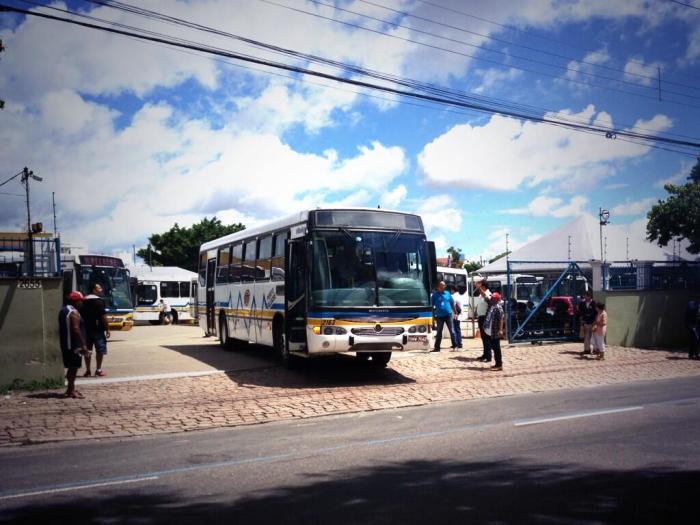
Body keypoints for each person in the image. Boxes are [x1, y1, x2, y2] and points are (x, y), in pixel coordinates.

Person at [58, 291, 89, 398]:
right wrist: (83, 344)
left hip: (66, 344)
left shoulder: (64, 310)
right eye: (81, 301)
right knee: (74, 367)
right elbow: (76, 329)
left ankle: (70, 389)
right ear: (76, 301)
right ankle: (71, 390)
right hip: (74, 345)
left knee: (72, 367)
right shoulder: (73, 312)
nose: (82, 303)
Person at [81, 283, 111, 377]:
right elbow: (103, 317)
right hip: (98, 330)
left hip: (86, 330)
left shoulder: (83, 300)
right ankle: (98, 369)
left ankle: (88, 370)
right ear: (94, 290)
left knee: (87, 350)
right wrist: (108, 329)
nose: (101, 289)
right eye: (99, 288)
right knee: (100, 350)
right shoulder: (99, 301)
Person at [431, 281, 457, 352]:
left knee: (452, 331)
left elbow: (452, 304)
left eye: (444, 286)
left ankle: (455, 346)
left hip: (448, 315)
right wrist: (433, 317)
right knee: (439, 332)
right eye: (441, 286)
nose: (443, 287)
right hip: (439, 316)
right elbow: (432, 307)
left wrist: (455, 312)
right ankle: (437, 348)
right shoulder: (434, 295)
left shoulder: (448, 294)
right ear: (438, 287)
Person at [483, 292, 505, 371]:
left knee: (496, 348)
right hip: (490, 330)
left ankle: (499, 365)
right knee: (494, 347)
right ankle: (497, 364)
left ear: (496, 300)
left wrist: (500, 330)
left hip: (495, 331)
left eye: (493, 298)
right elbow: (486, 298)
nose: (491, 299)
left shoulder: (498, 308)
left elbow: (501, 319)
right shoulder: (492, 305)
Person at [475, 278, 492, 362]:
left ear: (483, 286)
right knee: (483, 337)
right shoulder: (480, 294)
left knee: (486, 337)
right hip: (481, 317)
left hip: (485, 317)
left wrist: (479, 288)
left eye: (480, 285)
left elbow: (487, 298)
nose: (479, 287)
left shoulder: (488, 293)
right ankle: (485, 354)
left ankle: (488, 356)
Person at [578, 291, 596, 356]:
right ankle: (586, 350)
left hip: (592, 323)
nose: (584, 297)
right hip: (585, 322)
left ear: (589, 296)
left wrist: (595, 322)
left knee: (594, 337)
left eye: (586, 296)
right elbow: (580, 312)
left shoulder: (594, 303)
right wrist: (581, 320)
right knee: (586, 337)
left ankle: (594, 350)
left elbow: (596, 313)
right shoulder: (582, 304)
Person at [451, 285, 463, 350]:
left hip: (455, 315)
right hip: (459, 314)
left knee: (455, 329)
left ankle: (457, 343)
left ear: (453, 290)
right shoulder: (460, 296)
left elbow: (453, 305)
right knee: (457, 329)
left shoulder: (453, 296)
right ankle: (459, 343)